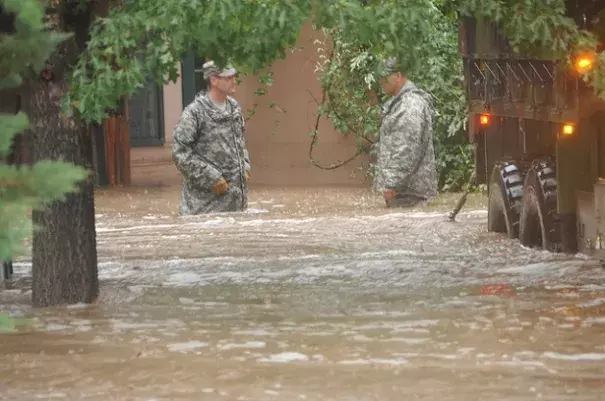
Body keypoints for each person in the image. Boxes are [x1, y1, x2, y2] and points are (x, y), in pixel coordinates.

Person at [172, 60, 251, 215]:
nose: (234, 81)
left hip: (235, 208)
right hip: (203, 211)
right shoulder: (194, 113)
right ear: (214, 80)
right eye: (228, 78)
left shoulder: (234, 108)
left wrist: (246, 166)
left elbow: (240, 143)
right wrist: (212, 178)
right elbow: (180, 153)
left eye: (234, 77)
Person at [373, 58, 438, 208]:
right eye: (379, 77)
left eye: (385, 77)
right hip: (405, 194)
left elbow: (406, 149)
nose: (381, 81)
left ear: (398, 76)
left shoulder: (410, 105)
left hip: (410, 196)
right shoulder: (400, 103)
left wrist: (391, 183)